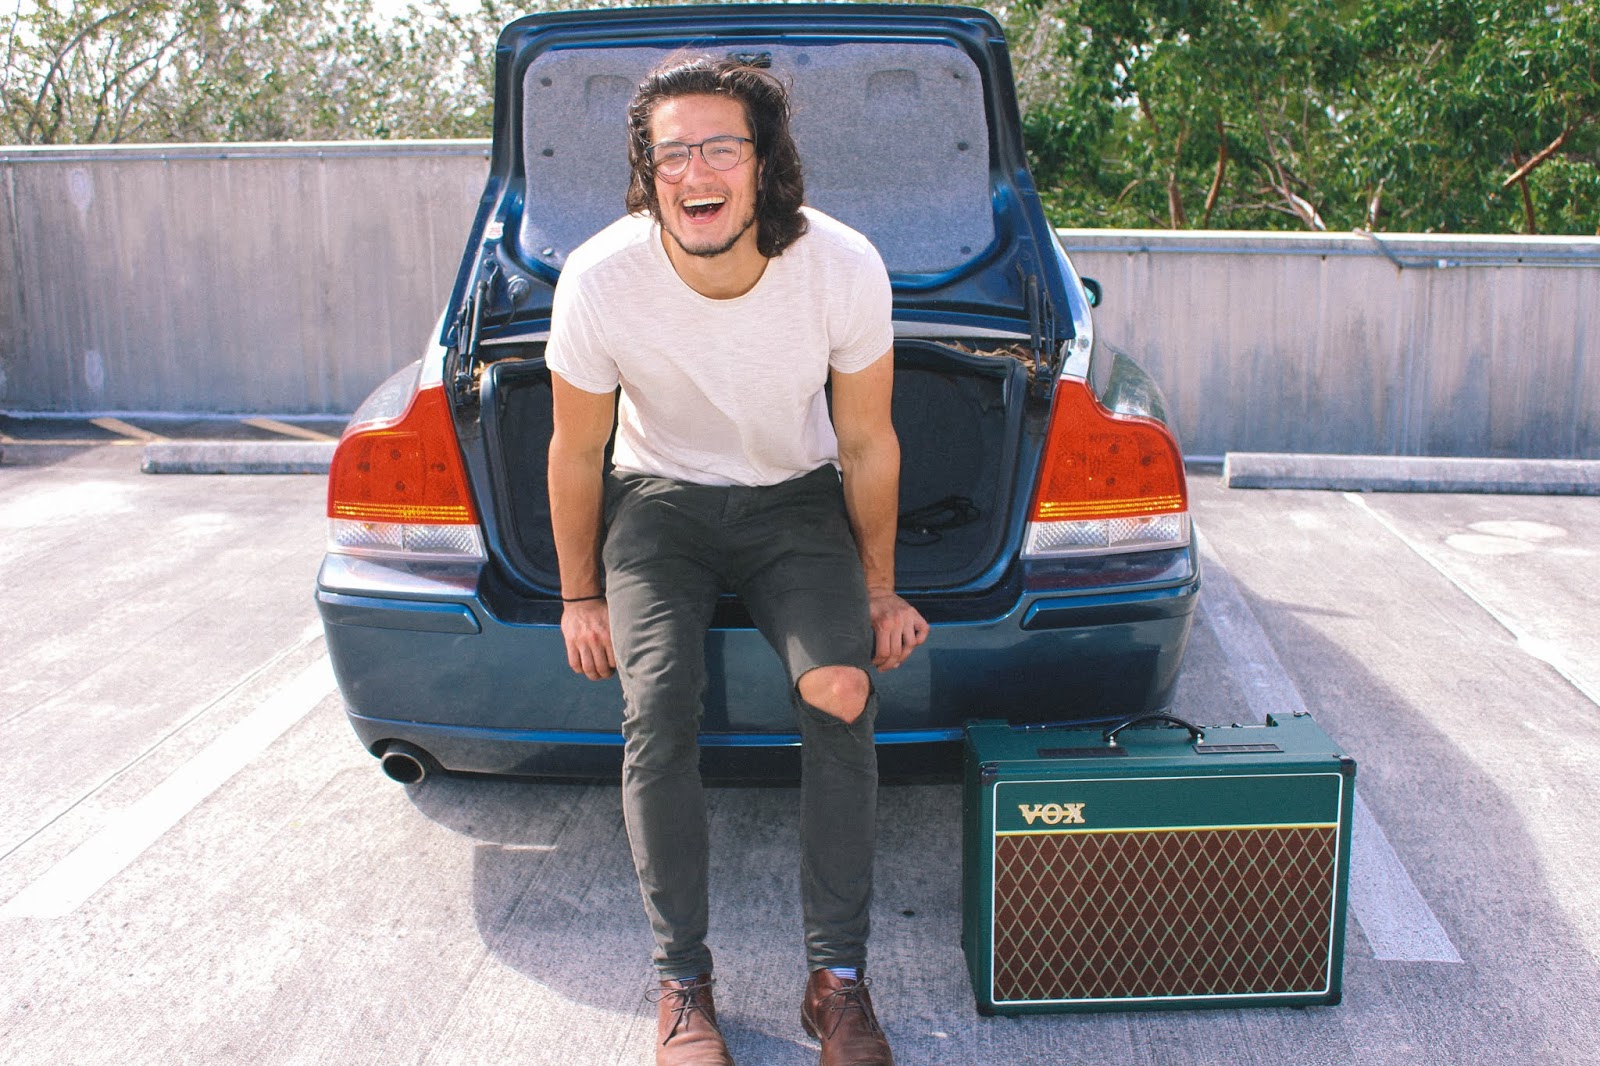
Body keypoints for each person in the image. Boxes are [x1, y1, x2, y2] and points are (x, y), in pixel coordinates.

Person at [544, 54, 928, 1066]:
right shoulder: (599, 275)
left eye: (719, 146)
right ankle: (683, 984)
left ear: (765, 165)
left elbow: (867, 443)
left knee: (841, 689)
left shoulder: (841, 264)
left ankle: (835, 980)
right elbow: (577, 447)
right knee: (657, 702)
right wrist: (578, 592)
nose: (693, 169)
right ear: (646, 168)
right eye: (670, 151)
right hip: (658, 506)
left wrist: (880, 589)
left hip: (793, 503)